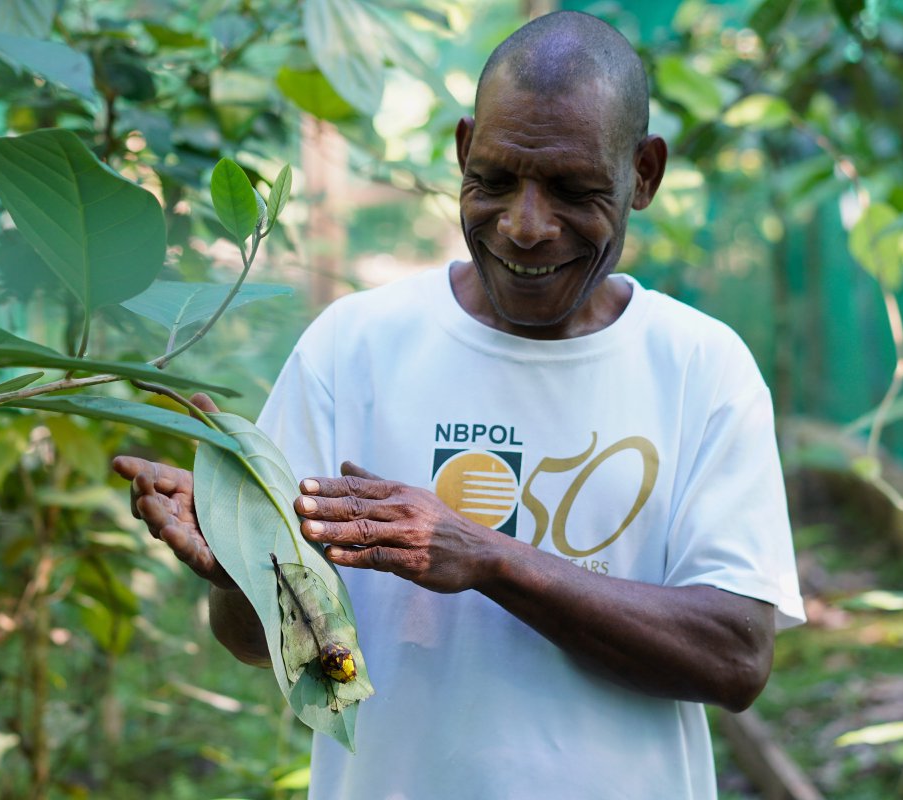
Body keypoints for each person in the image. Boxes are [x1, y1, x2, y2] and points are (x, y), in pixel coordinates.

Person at [114, 10, 804, 799]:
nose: (524, 226)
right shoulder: (356, 346)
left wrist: (489, 557)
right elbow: (262, 645)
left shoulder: (700, 368)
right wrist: (240, 569)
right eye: (495, 180)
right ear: (462, 148)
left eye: (574, 189)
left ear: (643, 173)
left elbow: (735, 658)